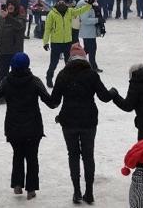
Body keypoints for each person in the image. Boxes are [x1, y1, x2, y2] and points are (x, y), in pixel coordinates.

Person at [0, 53, 52, 200]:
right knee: (32, 157)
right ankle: (31, 189)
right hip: (33, 127)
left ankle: (17, 184)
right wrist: (58, 98)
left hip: (13, 127)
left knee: (18, 154)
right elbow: (49, 101)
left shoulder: (6, 82)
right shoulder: (35, 81)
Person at [48, 44, 112, 204]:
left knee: (73, 155)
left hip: (68, 121)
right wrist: (113, 92)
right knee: (88, 156)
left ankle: (76, 191)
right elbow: (104, 97)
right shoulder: (91, 74)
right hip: (88, 121)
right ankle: (89, 192)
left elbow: (54, 101)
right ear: (84, 57)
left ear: (70, 58)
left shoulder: (63, 74)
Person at [41, 0, 92, 87]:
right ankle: (49, 78)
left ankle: (69, 80)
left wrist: (89, 4)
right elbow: (47, 29)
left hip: (68, 42)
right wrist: (45, 42)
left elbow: (80, 11)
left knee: (69, 64)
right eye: (59, 1)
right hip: (56, 43)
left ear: (65, 3)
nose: (61, 3)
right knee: (54, 63)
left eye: (63, 1)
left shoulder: (70, 11)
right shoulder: (52, 14)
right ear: (57, 3)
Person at [0, 0, 25, 81]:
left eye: (12, 4)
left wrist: (7, 16)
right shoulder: (4, 16)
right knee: (2, 76)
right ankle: (3, 89)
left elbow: (19, 26)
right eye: (9, 4)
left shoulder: (20, 17)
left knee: (17, 76)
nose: (10, 6)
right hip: (3, 51)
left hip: (15, 52)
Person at [77, 0, 104, 72]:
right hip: (87, 33)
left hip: (89, 32)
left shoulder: (89, 5)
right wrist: (97, 20)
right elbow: (85, 20)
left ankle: (78, 63)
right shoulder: (85, 7)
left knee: (88, 49)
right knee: (92, 49)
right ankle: (93, 66)